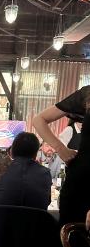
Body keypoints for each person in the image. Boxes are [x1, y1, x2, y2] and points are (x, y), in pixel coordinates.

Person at [32, 86, 90, 226]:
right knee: (69, 241)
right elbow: (39, 120)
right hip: (78, 187)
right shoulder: (86, 94)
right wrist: (61, 149)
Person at [0, 132, 52, 211]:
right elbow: (47, 202)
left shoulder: (2, 170)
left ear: (12, 152)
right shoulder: (45, 174)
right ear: (36, 154)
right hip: (34, 223)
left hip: (2, 222)